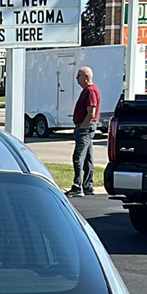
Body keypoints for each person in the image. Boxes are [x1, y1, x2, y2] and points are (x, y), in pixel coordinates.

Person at [66, 66, 100, 197]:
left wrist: (82, 127)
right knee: (87, 158)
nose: (76, 79)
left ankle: (77, 186)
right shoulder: (88, 90)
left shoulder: (91, 91)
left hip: (85, 128)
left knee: (78, 157)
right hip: (87, 127)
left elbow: (91, 113)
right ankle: (88, 186)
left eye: (79, 75)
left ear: (86, 77)